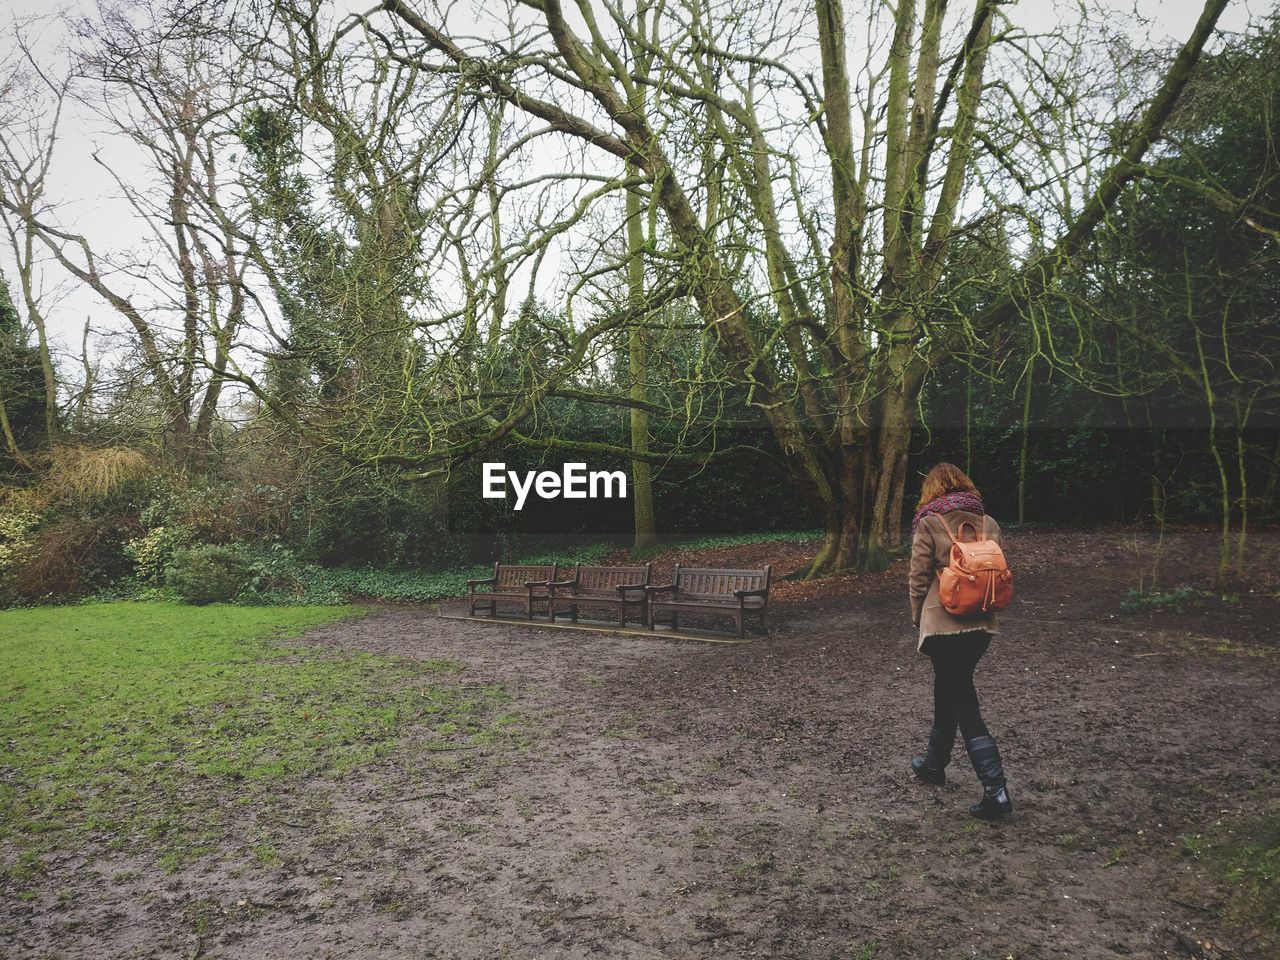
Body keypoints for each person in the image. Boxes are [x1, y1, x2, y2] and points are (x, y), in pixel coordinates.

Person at [907, 462, 1013, 820]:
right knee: (950, 688)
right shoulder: (989, 522)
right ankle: (933, 765)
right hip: (982, 624)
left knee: (963, 699)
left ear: (932, 489)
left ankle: (995, 790)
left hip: (944, 624)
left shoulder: (929, 522)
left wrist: (916, 615)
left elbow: (918, 578)